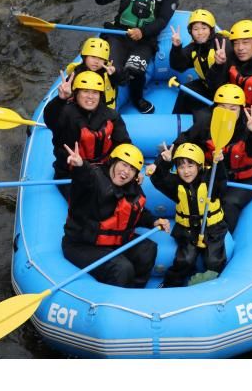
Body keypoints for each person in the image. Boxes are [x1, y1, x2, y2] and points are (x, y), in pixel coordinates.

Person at [173, 84, 252, 233]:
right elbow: (184, 140)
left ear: (241, 109)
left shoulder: (250, 126)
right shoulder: (206, 123)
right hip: (213, 176)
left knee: (229, 204)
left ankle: (221, 238)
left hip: (242, 181)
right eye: (222, 107)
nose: (227, 113)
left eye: (233, 109)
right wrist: (166, 159)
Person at [62, 142, 171, 288]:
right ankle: (112, 302)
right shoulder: (94, 179)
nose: (126, 172)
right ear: (113, 162)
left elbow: (136, 212)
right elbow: (85, 178)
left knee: (147, 250)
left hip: (113, 242)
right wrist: (80, 165)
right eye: (124, 165)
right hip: (83, 244)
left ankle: (133, 292)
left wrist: (154, 221)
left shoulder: (131, 187)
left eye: (132, 169)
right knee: (122, 268)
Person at [95, 0, 179, 114]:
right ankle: (107, 101)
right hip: (118, 34)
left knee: (135, 70)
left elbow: (162, 20)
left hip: (145, 41)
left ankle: (137, 98)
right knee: (112, 70)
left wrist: (143, 32)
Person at [150, 142, 228, 287]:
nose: (186, 171)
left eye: (190, 166)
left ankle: (212, 284)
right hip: (187, 231)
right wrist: (165, 163)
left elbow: (222, 181)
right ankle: (170, 285)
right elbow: (158, 180)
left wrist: (220, 162)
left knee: (214, 260)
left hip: (213, 229)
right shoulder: (175, 184)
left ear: (199, 166)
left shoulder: (210, 178)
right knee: (184, 260)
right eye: (181, 166)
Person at [43, 70, 131, 198]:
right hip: (71, 171)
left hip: (103, 168)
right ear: (76, 93)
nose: (90, 97)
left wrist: (130, 166)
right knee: (86, 205)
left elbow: (123, 144)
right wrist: (60, 100)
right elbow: (50, 120)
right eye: (85, 91)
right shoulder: (65, 114)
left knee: (119, 198)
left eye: (95, 92)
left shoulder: (111, 116)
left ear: (100, 95)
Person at [169, 8, 228, 115]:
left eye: (204, 28)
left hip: (226, 92)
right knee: (186, 91)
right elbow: (178, 66)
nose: (200, 33)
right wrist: (176, 47)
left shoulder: (223, 45)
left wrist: (220, 63)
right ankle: (177, 121)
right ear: (190, 32)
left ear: (211, 30)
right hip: (207, 86)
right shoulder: (195, 47)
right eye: (195, 29)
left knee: (203, 116)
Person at [65, 37, 123, 109]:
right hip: (81, 108)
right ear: (85, 57)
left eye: (101, 58)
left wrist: (115, 73)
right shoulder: (77, 71)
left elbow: (122, 81)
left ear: (105, 61)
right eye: (93, 57)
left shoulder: (109, 73)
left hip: (104, 110)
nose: (96, 62)